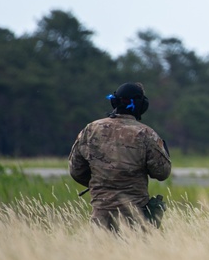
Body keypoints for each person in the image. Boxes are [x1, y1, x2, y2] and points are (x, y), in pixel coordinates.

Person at [69, 82, 172, 230]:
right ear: (141, 105)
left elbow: (76, 171)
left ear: (114, 102)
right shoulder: (146, 134)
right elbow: (162, 173)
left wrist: (104, 185)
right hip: (135, 218)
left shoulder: (91, 130)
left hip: (100, 216)